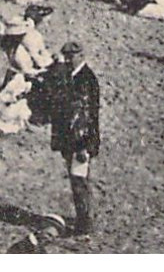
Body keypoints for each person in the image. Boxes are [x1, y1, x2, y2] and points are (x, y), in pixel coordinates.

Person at [48, 41, 101, 237]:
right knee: (77, 181)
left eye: (71, 57)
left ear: (80, 55)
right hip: (74, 140)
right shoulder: (78, 76)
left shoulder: (85, 79)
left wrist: (82, 147)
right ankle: (83, 221)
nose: (68, 60)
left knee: (79, 181)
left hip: (80, 141)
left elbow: (83, 117)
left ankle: (84, 226)